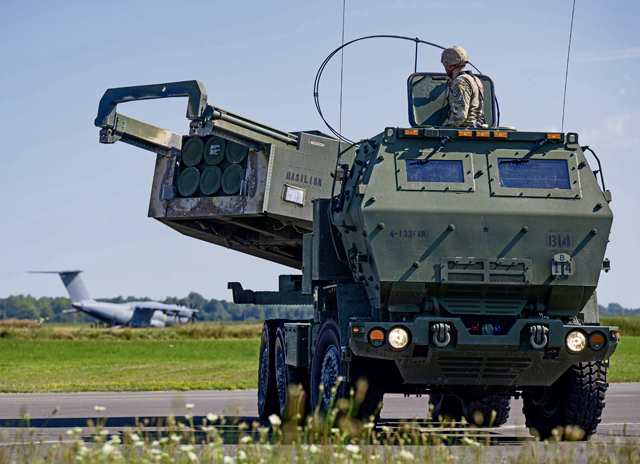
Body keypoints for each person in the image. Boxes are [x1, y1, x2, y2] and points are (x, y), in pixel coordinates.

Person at [440, 46, 486, 128]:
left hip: (463, 129)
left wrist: (446, 128)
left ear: (449, 65)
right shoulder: (475, 80)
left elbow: (460, 115)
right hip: (475, 127)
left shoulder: (460, 81)